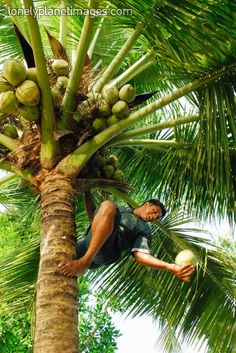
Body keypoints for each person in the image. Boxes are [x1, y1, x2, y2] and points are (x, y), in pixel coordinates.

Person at [58, 192, 195, 281]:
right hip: (87, 243)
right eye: (154, 212)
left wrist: (171, 267)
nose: (153, 217)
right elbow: (93, 215)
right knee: (53, 261)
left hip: (107, 251)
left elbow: (141, 256)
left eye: (156, 217)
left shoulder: (144, 229)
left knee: (109, 205)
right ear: (147, 204)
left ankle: (84, 263)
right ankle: (83, 260)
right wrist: (87, 192)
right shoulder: (123, 210)